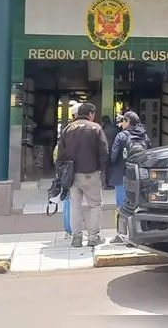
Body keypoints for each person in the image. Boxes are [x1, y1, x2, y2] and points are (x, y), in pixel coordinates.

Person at [55, 102, 108, 248]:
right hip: (90, 173)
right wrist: (103, 170)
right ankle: (93, 237)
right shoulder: (96, 128)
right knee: (95, 205)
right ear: (91, 114)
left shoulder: (67, 129)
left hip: (72, 174)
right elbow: (103, 151)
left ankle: (76, 238)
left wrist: (61, 173)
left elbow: (60, 154)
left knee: (75, 206)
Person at [109, 111, 151, 243]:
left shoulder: (121, 136)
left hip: (122, 174)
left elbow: (113, 156)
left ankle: (121, 235)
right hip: (140, 176)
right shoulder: (144, 135)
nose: (121, 124)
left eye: (123, 121)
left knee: (121, 205)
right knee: (138, 205)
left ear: (127, 122)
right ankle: (138, 235)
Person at [99, 115, 119, 190]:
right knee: (113, 168)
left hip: (106, 151)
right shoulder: (115, 129)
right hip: (115, 150)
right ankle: (113, 183)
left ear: (103, 122)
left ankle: (108, 184)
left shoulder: (103, 131)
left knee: (107, 168)